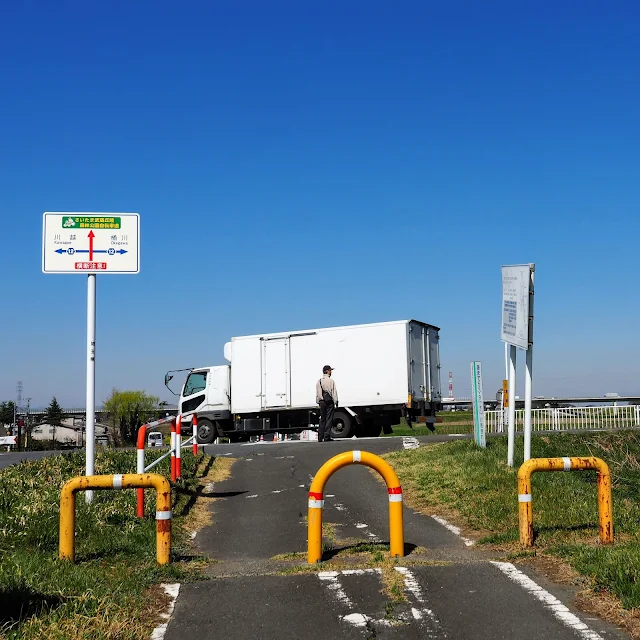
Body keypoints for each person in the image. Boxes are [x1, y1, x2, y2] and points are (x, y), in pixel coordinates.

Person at [316, 365, 338, 442]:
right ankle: (326, 436)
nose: (331, 372)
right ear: (328, 371)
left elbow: (318, 394)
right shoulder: (331, 381)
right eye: (330, 370)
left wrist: (319, 401)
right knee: (329, 419)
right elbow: (334, 393)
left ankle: (320, 437)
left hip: (322, 402)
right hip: (329, 402)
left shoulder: (319, 381)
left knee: (322, 419)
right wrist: (336, 402)